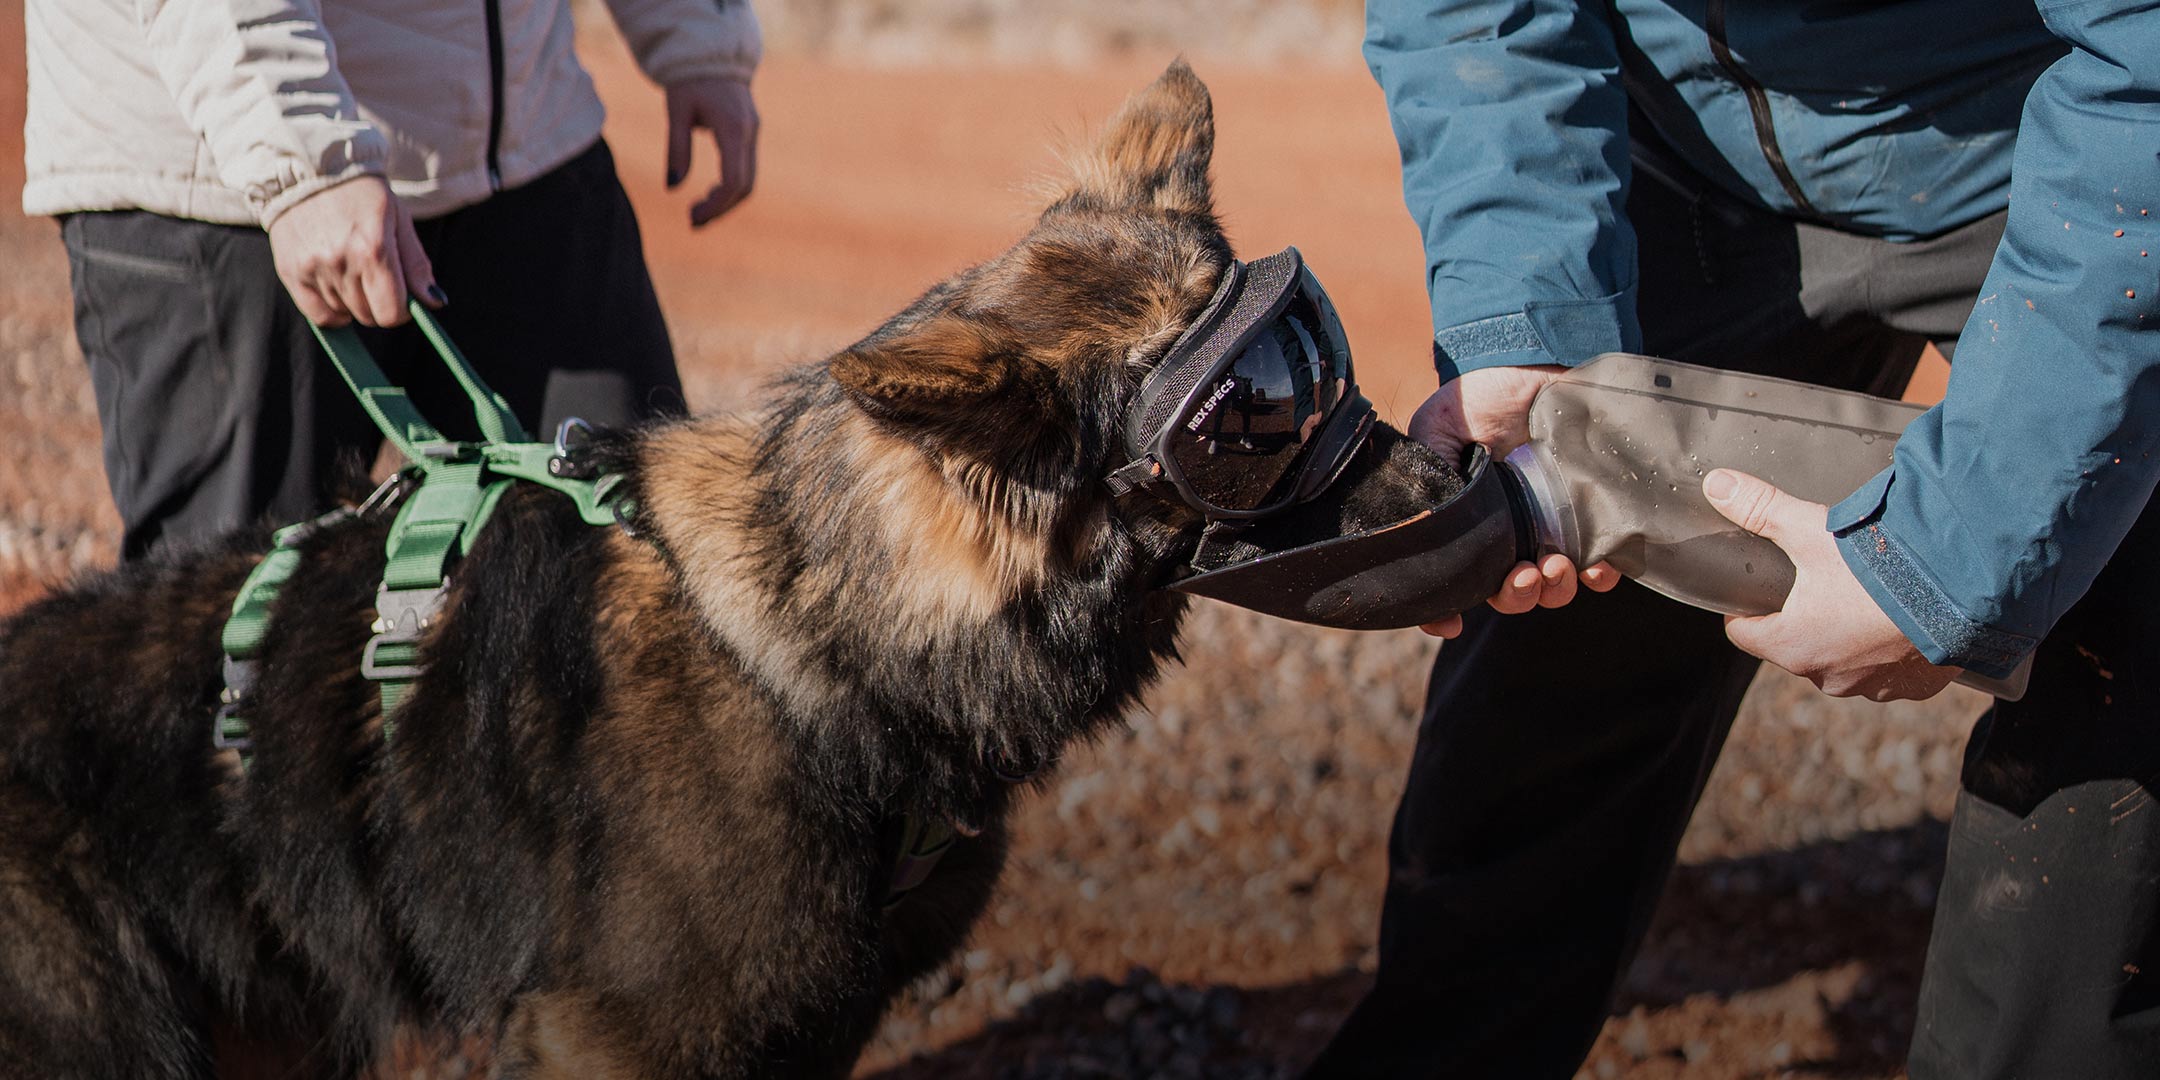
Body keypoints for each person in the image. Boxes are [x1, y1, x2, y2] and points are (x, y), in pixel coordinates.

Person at [1305, 2, 2159, 1077]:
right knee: (1548, 648)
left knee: (2127, 689)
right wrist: (1527, 313)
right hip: (1683, 146)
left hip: (2060, 158)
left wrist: (1959, 552)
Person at [23, 0, 762, 559]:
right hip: (220, 178)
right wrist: (302, 157)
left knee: (638, 566)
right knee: (238, 633)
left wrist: (695, 30)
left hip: (526, 139)